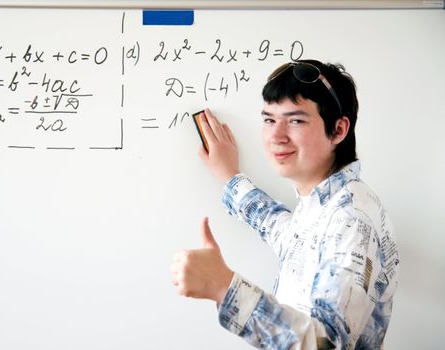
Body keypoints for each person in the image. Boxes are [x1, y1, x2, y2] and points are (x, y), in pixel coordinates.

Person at [170, 59, 400, 349]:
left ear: (338, 130)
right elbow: (283, 232)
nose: (276, 136)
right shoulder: (322, 204)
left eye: (295, 120)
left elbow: (327, 345)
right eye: (269, 119)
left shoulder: (350, 219)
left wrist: (224, 287)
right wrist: (230, 176)